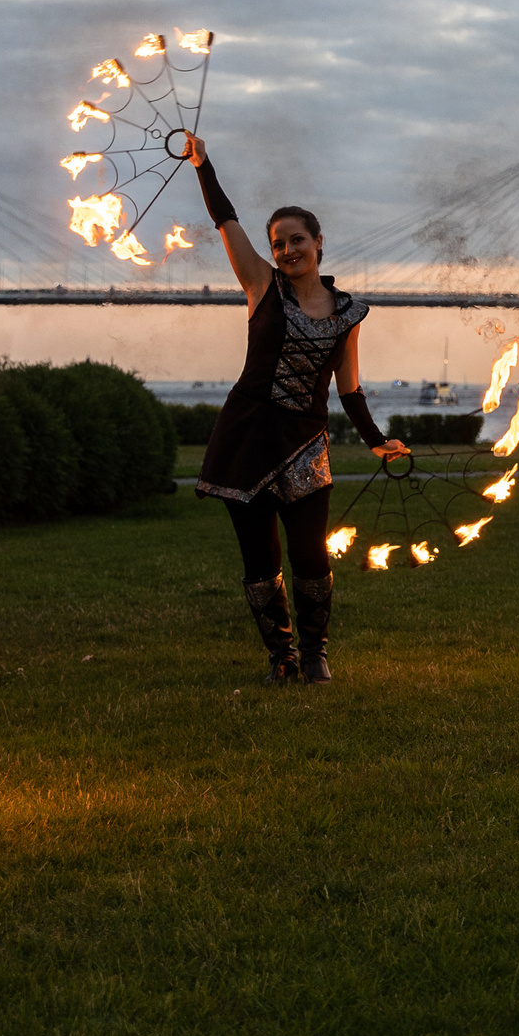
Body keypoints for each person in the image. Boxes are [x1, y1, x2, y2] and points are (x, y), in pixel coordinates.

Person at [181, 133, 406, 685]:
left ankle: (314, 654)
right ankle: (280, 658)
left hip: (305, 446)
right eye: (278, 243)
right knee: (259, 561)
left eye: (296, 240)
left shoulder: (348, 313)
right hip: (246, 440)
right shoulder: (261, 286)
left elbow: (349, 389)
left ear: (319, 242)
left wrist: (376, 440)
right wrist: (203, 164)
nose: (287, 251)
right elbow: (226, 220)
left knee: (310, 558)